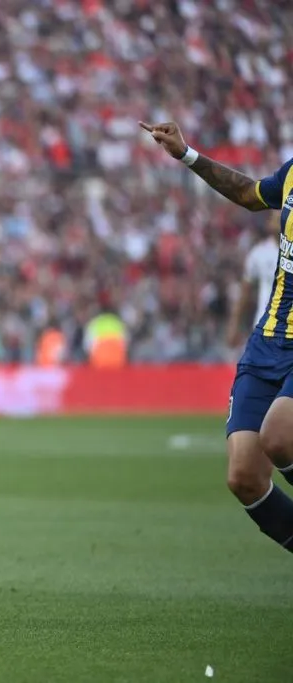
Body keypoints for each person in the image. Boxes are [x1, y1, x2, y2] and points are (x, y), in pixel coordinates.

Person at [141, 120, 293, 554]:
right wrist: (187, 154)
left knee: (279, 437)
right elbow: (250, 194)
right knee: (244, 477)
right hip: (267, 343)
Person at [227, 214, 280, 349]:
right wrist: (234, 325)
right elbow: (244, 293)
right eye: (276, 218)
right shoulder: (259, 253)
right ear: (268, 224)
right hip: (264, 328)